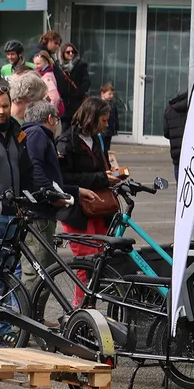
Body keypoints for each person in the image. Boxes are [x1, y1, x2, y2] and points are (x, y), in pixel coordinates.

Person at [57, 97, 120, 264]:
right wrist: (102, 177)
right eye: (104, 120)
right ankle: (84, 292)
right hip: (77, 210)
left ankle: (95, 291)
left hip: (98, 207)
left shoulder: (96, 140)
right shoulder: (67, 142)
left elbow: (98, 170)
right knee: (88, 263)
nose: (107, 125)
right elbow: (63, 178)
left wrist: (112, 175)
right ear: (92, 118)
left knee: (101, 260)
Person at [21, 100, 67, 296]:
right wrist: (51, 196)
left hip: (40, 210)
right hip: (39, 212)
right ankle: (29, 321)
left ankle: (35, 318)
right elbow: (35, 167)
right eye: (56, 120)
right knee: (38, 268)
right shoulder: (38, 134)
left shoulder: (31, 133)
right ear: (50, 118)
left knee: (44, 268)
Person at [0, 85, 33, 259]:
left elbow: (26, 171)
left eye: (5, 106)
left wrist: (24, 203)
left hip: (15, 213)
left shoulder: (18, 133)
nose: (1, 111)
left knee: (12, 268)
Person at [59, 42, 90, 125]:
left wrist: (78, 92)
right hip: (64, 103)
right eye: (68, 52)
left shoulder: (80, 65)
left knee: (76, 128)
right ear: (63, 53)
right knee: (65, 130)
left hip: (77, 103)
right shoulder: (58, 66)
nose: (71, 54)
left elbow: (86, 82)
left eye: (73, 52)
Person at [33, 50, 64, 116]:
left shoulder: (46, 77)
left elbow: (55, 98)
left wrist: (50, 114)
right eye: (35, 64)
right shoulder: (47, 74)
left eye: (38, 64)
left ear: (46, 62)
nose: (36, 66)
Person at [99, 83, 118, 151]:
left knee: (107, 147)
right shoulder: (99, 104)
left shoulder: (113, 104)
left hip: (109, 129)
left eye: (112, 94)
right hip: (102, 130)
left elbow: (115, 117)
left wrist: (116, 128)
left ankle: (106, 158)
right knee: (101, 145)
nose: (111, 96)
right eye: (109, 94)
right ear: (102, 94)